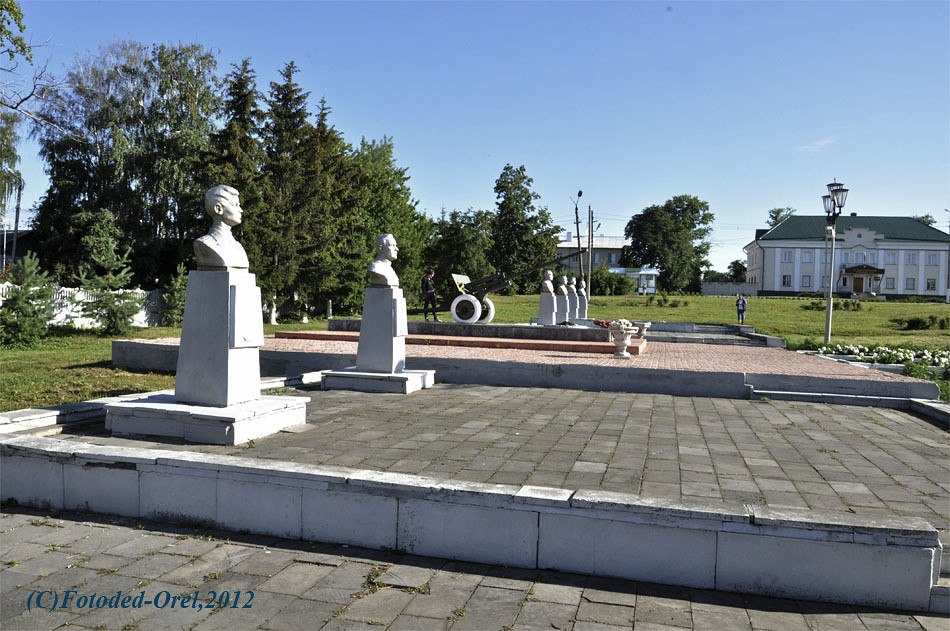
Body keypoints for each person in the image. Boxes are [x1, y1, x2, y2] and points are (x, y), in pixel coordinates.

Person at [194, 185, 250, 270]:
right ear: (218, 209)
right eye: (235, 205)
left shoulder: (238, 247)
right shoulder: (204, 243)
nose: (240, 210)